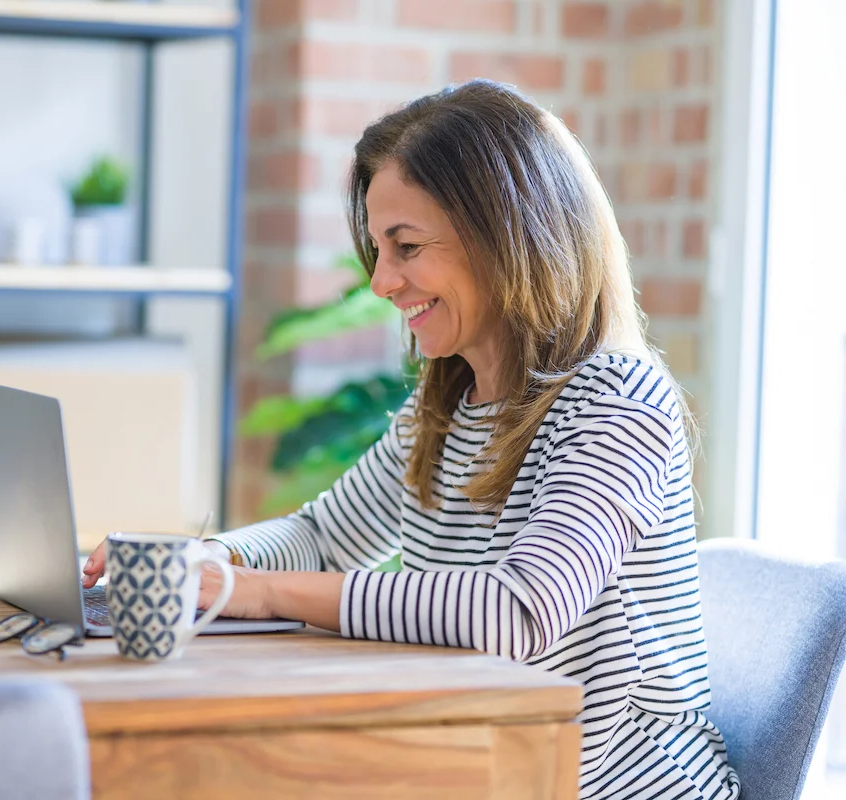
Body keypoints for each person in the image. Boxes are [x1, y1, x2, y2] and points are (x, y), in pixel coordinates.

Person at [83, 80, 739, 800]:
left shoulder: (617, 403)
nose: (381, 281)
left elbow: (516, 612)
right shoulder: (449, 406)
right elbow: (323, 536)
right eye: (378, 248)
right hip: (483, 765)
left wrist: (260, 592)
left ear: (506, 237)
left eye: (407, 247)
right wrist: (210, 559)